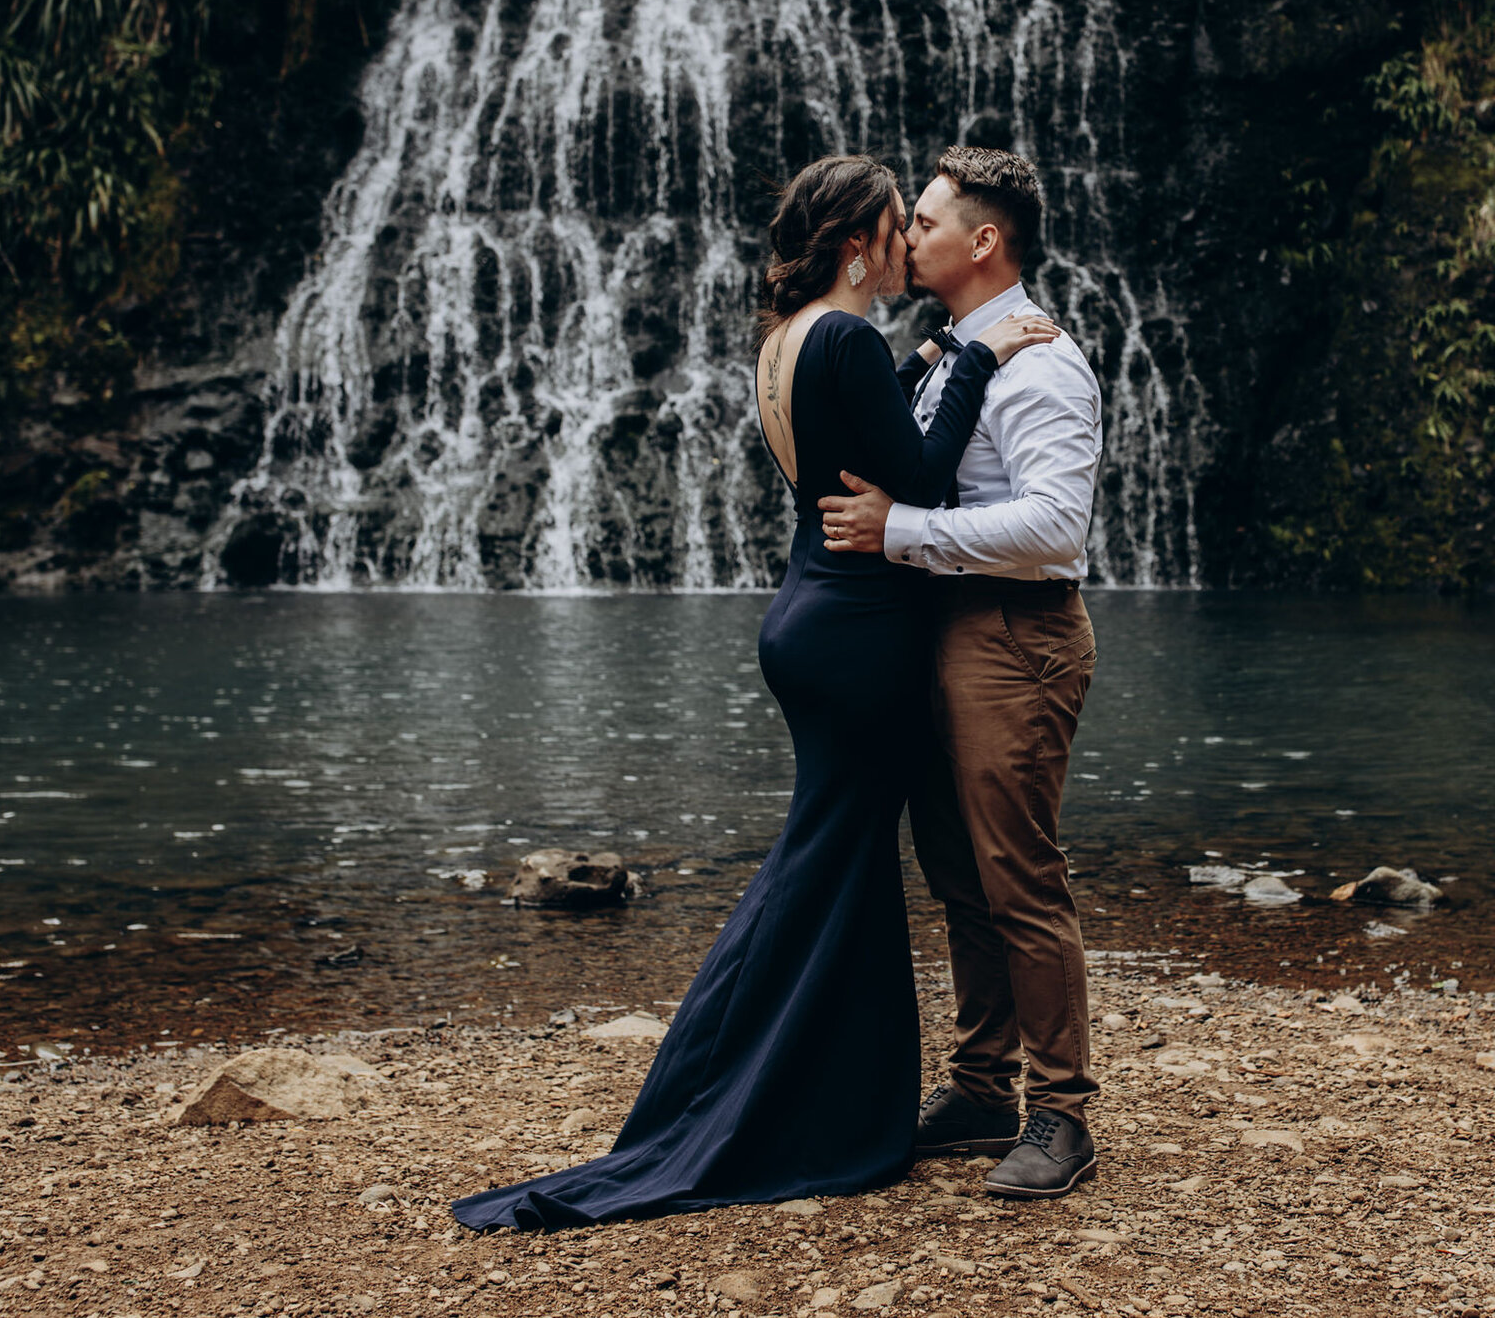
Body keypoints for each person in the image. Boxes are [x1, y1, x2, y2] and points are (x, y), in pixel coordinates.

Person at [451, 155, 1057, 1232]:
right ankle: (778, 1102)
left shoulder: (792, 340)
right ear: (854, 241)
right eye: (891, 224)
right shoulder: (844, 338)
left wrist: (933, 351)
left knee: (823, 864)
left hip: (810, 617)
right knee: (832, 872)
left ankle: (758, 1081)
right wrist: (974, 351)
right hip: (864, 632)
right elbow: (914, 475)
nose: (903, 242)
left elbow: (865, 426)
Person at [816, 146, 1106, 1200]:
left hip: (1016, 632)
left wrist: (901, 529)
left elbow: (1052, 524)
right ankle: (982, 1086)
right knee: (959, 872)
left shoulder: (1040, 363)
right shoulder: (951, 351)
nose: (907, 235)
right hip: (944, 628)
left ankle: (1062, 1112)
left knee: (1018, 874)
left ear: (983, 240)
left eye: (927, 220)